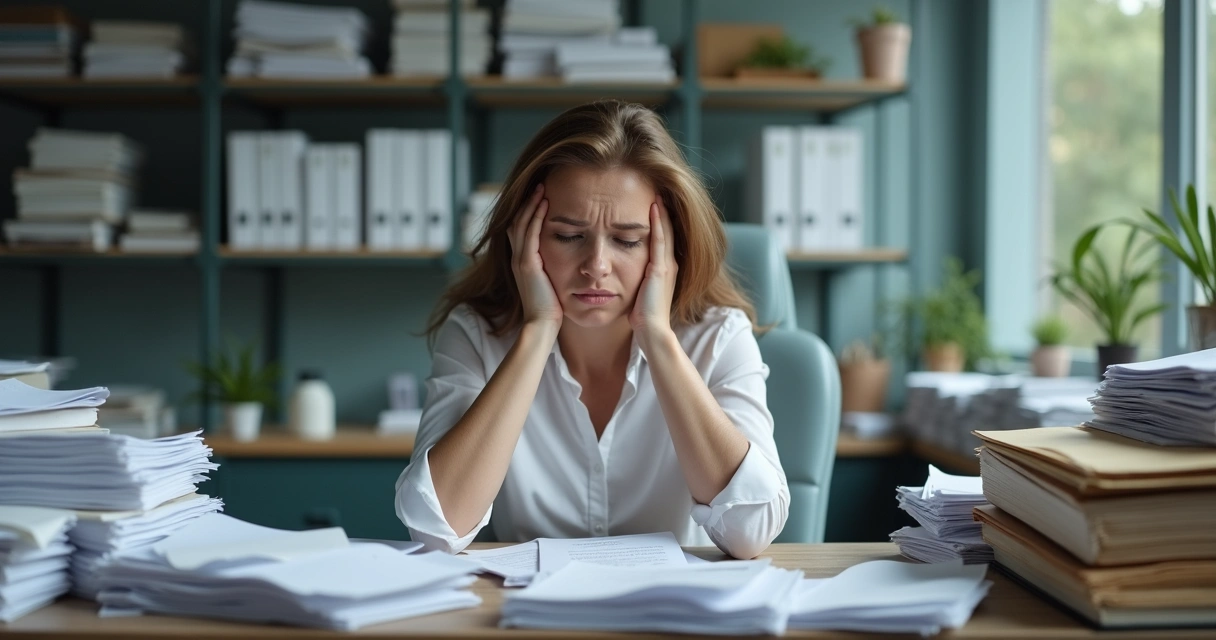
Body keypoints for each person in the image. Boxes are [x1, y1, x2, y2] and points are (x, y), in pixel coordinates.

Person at [394, 100, 789, 559]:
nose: (596, 267)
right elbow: (434, 531)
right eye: (567, 235)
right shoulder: (476, 334)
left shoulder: (719, 337)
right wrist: (538, 331)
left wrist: (658, 338)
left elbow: (751, 533)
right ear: (525, 236)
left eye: (627, 240)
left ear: (667, 246)